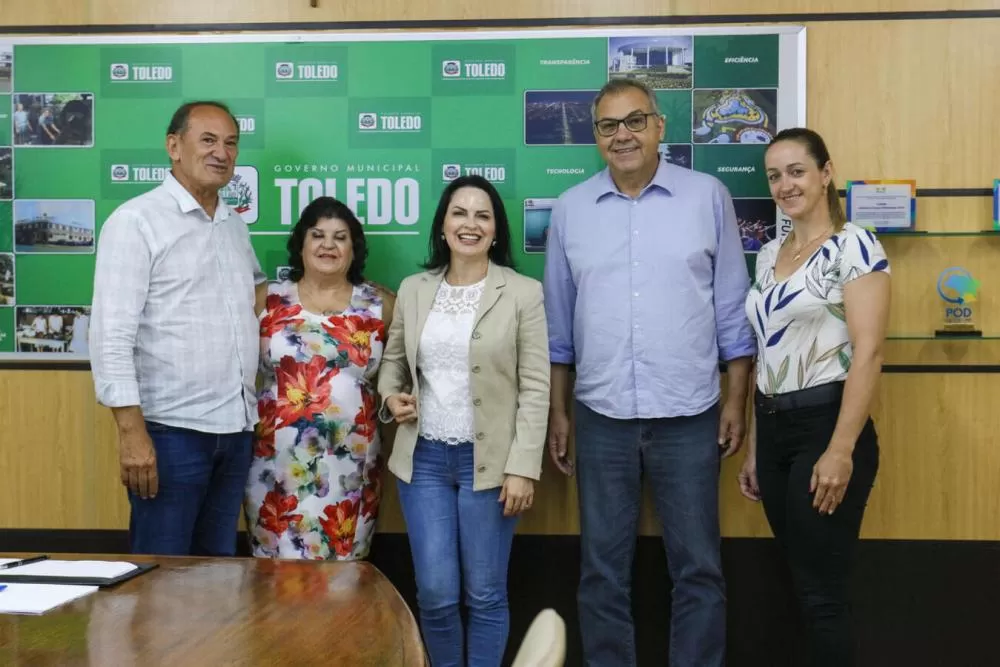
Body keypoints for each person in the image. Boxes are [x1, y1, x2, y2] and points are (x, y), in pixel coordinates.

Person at [543, 78, 756, 667]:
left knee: (699, 569)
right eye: (609, 126)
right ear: (596, 137)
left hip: (690, 413)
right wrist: (559, 411)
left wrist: (735, 401)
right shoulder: (571, 209)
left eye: (635, 121)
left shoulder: (707, 196)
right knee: (601, 571)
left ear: (660, 126)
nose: (623, 135)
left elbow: (732, 312)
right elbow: (559, 327)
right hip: (600, 415)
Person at [378, 175, 550, 667]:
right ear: (443, 225)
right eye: (459, 213)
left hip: (491, 464)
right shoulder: (414, 289)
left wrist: (523, 468)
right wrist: (391, 396)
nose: (469, 224)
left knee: (485, 594)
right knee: (435, 594)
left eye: (482, 215)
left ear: (496, 230)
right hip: (424, 460)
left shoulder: (523, 293)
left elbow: (536, 386)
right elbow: (393, 362)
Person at [738, 127, 889, 666]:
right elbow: (766, 354)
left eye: (797, 171)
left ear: (825, 173)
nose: (785, 185)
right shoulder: (768, 254)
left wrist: (841, 449)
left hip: (827, 426)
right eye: (774, 176)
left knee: (822, 593)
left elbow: (869, 352)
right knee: (802, 583)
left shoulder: (855, 245)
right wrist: (755, 447)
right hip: (774, 429)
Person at [90, 100, 266, 556]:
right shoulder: (136, 221)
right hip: (170, 434)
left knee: (217, 575)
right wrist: (132, 434)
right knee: (162, 578)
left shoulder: (233, 225)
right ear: (174, 146)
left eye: (230, 143)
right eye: (208, 140)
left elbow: (256, 295)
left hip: (235, 429)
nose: (221, 153)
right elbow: (110, 337)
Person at [244, 196, 394, 560]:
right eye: (318, 235)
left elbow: (403, 370)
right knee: (274, 572)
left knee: (344, 576)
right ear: (301, 244)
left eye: (340, 237)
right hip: (275, 464)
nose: (328, 245)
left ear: (354, 249)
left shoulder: (381, 305)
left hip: (352, 466)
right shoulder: (266, 299)